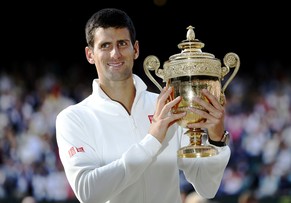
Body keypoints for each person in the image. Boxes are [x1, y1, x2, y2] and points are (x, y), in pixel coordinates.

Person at [55, 8, 231, 203]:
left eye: (122, 43)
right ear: (90, 54)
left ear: (136, 49)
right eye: (105, 45)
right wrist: (153, 140)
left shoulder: (169, 107)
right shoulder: (74, 118)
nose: (115, 54)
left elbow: (207, 187)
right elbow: (88, 192)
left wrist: (216, 140)